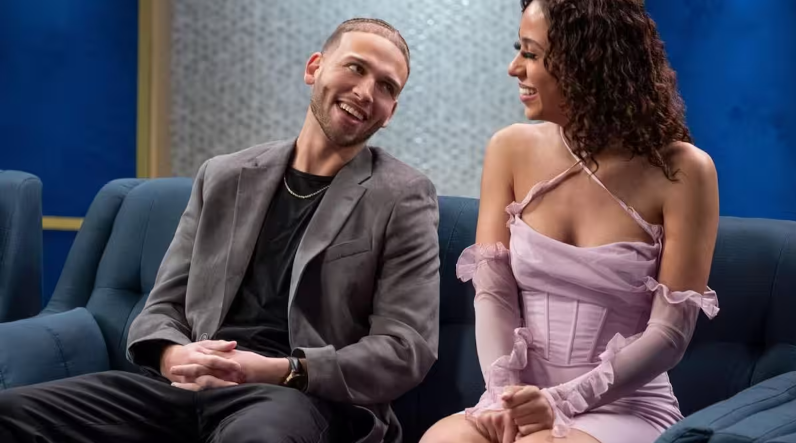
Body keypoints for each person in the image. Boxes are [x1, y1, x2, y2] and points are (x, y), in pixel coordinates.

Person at [0, 17, 440, 443]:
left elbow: (406, 348)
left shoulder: (402, 195)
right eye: (356, 67)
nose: (365, 92)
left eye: (386, 87)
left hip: (300, 396)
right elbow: (163, 305)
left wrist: (278, 369)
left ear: (391, 112)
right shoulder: (224, 175)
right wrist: (174, 356)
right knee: (12, 414)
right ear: (314, 68)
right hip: (186, 387)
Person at [421, 1, 720, 442]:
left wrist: (560, 402)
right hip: (518, 397)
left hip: (625, 407)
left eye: (531, 53)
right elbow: (494, 295)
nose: (514, 68)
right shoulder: (509, 148)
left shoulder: (685, 171)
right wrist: (504, 397)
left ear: (587, 61)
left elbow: (670, 333)